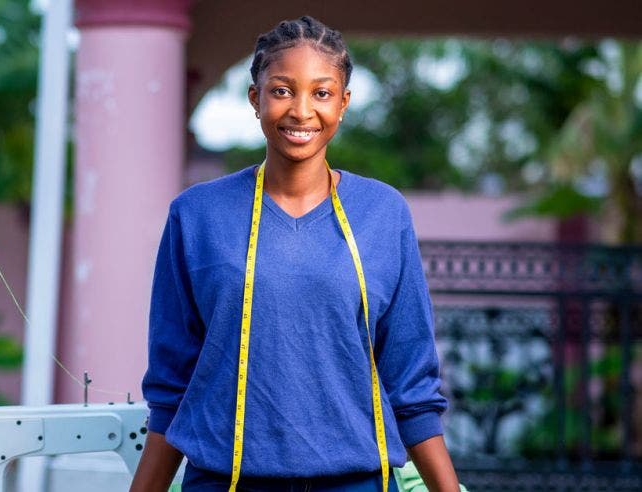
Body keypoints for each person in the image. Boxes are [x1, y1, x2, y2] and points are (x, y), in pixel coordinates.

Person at [131, 16, 460, 492]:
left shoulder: (383, 213)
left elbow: (411, 383)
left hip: (358, 483)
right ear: (255, 98)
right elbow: (171, 383)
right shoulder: (197, 216)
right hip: (226, 482)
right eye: (282, 90)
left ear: (343, 104)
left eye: (321, 93)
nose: (301, 110)